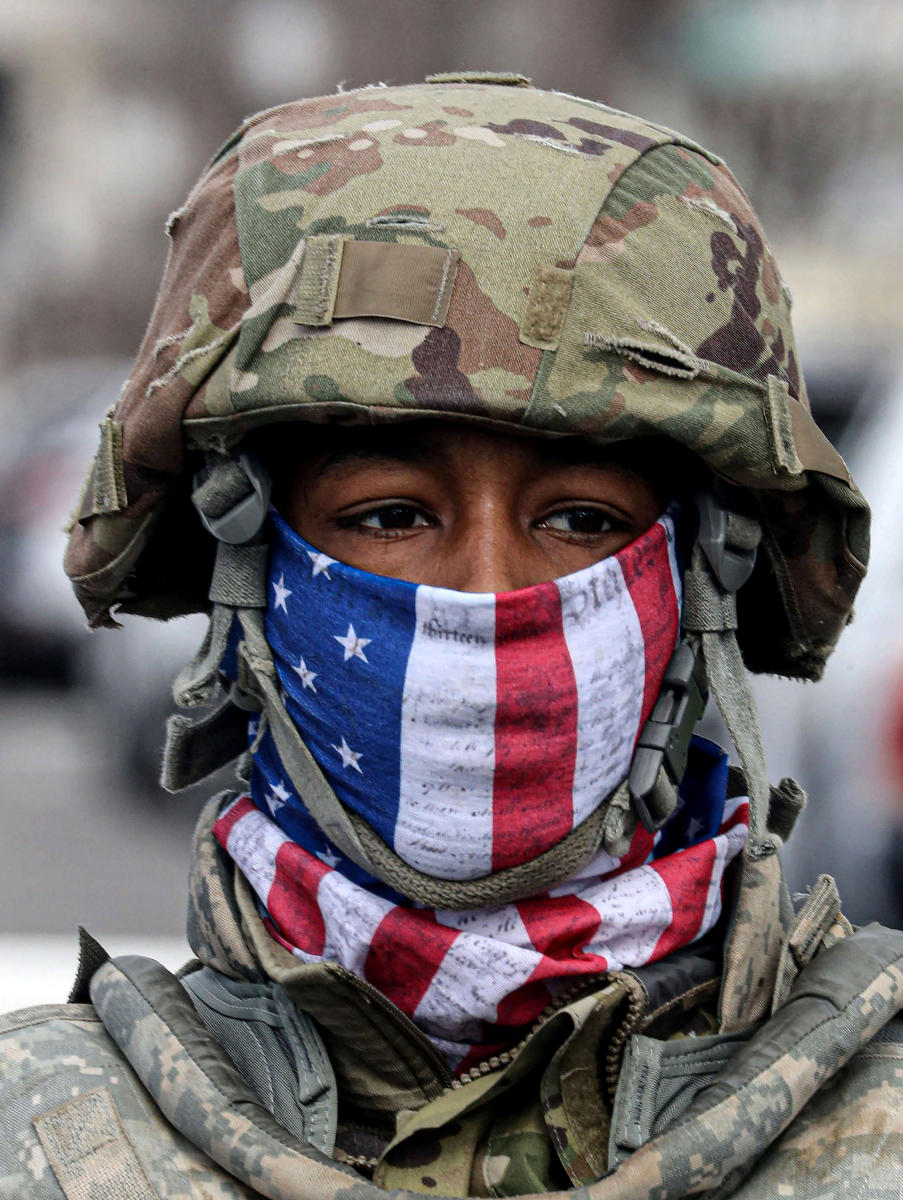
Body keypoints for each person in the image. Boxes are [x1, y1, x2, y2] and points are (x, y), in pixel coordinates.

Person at [2, 72, 902, 1198]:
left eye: (583, 522)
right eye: (390, 516)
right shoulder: (48, 1141)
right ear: (249, 569)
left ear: (699, 580)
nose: (486, 596)